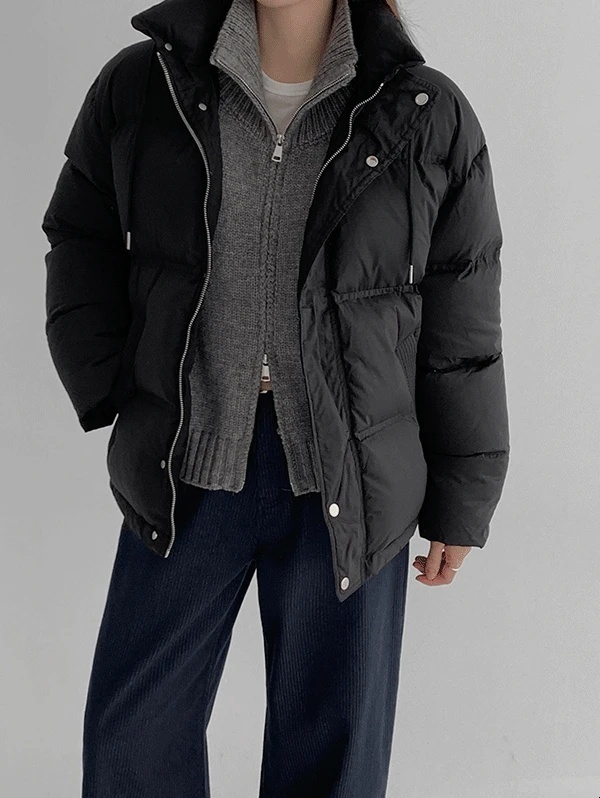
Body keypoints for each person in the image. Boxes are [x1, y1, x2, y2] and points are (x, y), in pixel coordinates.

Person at [41, 0, 510, 795]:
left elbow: (461, 317)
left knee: (332, 762)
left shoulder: (424, 112)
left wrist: (463, 500)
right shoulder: (146, 85)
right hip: (186, 466)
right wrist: (112, 383)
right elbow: (79, 234)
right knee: (131, 743)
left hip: (349, 479)